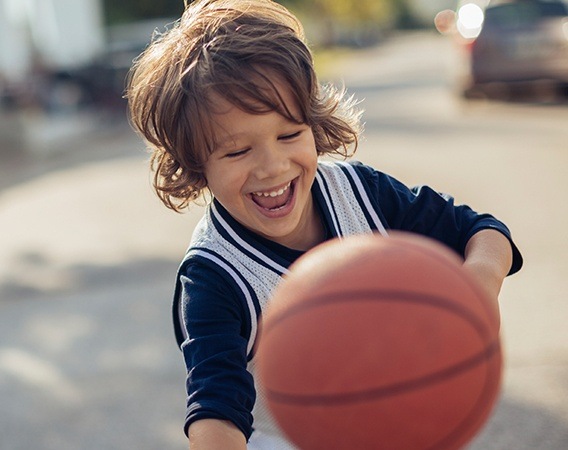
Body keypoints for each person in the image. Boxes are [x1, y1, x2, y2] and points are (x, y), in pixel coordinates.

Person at [126, 0, 523, 448]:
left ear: (313, 125)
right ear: (196, 165)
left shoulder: (360, 193)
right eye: (238, 151)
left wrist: (477, 289)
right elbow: (215, 407)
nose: (272, 167)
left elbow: (482, 231)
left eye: (289, 134)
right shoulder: (215, 278)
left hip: (397, 422)